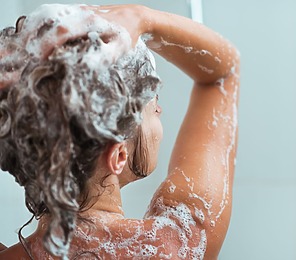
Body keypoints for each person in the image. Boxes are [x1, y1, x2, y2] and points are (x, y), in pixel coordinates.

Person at [0, 3, 239, 259]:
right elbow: (222, 74)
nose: (159, 111)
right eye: (152, 105)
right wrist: (143, 18)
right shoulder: (178, 245)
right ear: (118, 156)